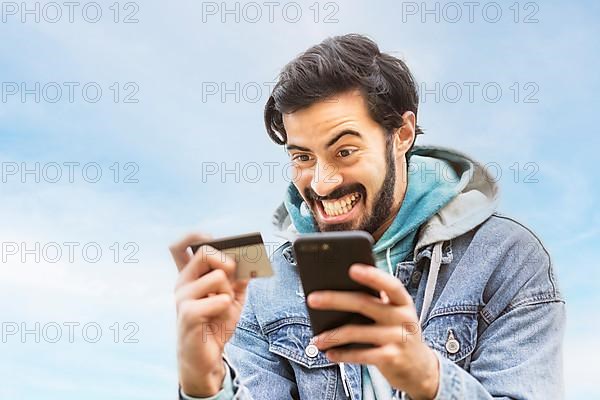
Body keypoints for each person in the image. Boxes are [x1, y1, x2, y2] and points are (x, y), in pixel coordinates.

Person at [171, 34, 565, 399]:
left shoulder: (510, 258)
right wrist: (205, 386)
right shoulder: (262, 283)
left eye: (344, 151)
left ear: (403, 133)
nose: (322, 185)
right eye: (302, 157)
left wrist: (427, 378)